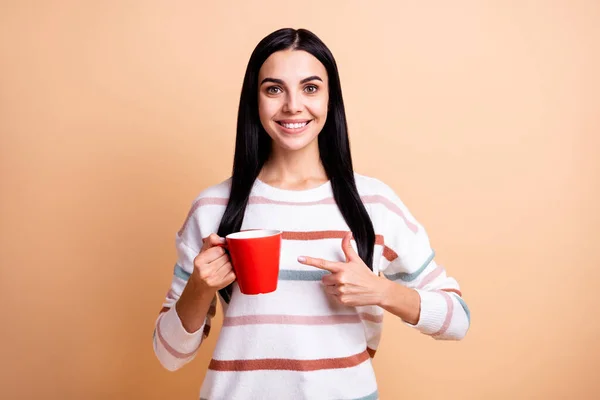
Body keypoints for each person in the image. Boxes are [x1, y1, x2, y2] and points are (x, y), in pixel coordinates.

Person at [153, 27, 470, 400]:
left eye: (310, 88)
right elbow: (169, 354)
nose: (292, 106)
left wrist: (381, 291)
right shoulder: (213, 208)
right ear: (254, 100)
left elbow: (457, 319)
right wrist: (199, 286)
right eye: (274, 89)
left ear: (329, 98)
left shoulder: (374, 202)